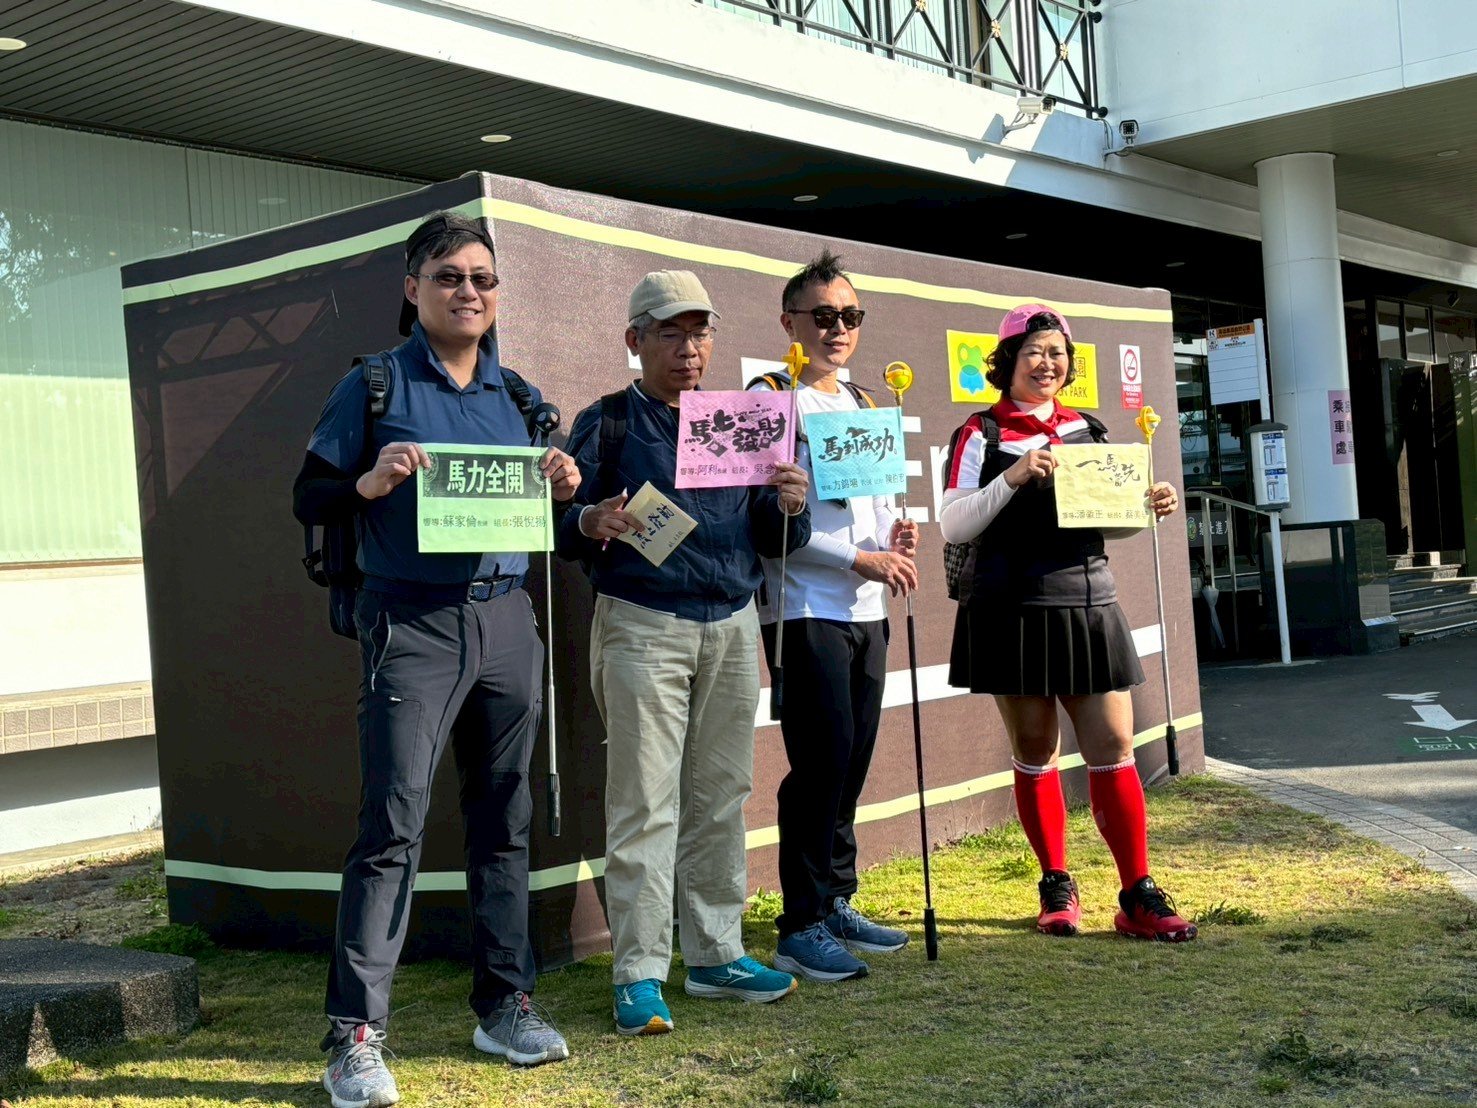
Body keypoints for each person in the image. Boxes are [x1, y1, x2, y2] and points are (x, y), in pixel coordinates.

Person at [293, 211, 579, 1108]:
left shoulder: (518, 395)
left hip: (506, 620)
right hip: (409, 625)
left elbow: (549, 516)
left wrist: (564, 487)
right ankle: (354, 1038)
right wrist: (366, 482)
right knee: (391, 826)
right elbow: (309, 494)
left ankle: (505, 1006)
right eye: (449, 276)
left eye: (482, 279)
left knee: (505, 820)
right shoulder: (375, 383)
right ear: (413, 288)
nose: (468, 291)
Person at [557, 270, 812, 1036]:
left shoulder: (738, 419)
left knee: (721, 795)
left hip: (731, 622)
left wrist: (790, 505)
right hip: (642, 622)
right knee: (644, 801)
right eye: (671, 333)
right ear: (634, 340)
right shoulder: (606, 421)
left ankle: (714, 955)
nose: (689, 348)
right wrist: (589, 520)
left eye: (699, 333)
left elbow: (773, 533)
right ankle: (637, 974)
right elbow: (562, 520)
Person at [939, 304, 1196, 944]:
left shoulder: (1089, 428)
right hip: (1009, 605)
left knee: (1113, 743)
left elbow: (1109, 523)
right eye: (1034, 352)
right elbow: (954, 524)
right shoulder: (979, 432)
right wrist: (1014, 475)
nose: (1047, 363)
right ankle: (1056, 883)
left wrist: (1149, 507)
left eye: (1057, 353)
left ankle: (1137, 893)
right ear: (1007, 362)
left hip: (1086, 598)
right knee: (1035, 748)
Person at [746, 249, 919, 982]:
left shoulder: (865, 403)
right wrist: (858, 559)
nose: (837, 328)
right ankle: (801, 923)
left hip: (867, 608)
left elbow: (872, 510)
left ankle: (836, 899)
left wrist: (893, 541)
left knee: (850, 763)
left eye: (849, 315)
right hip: (803, 607)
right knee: (818, 766)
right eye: (821, 316)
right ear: (789, 323)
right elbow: (766, 525)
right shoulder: (769, 397)